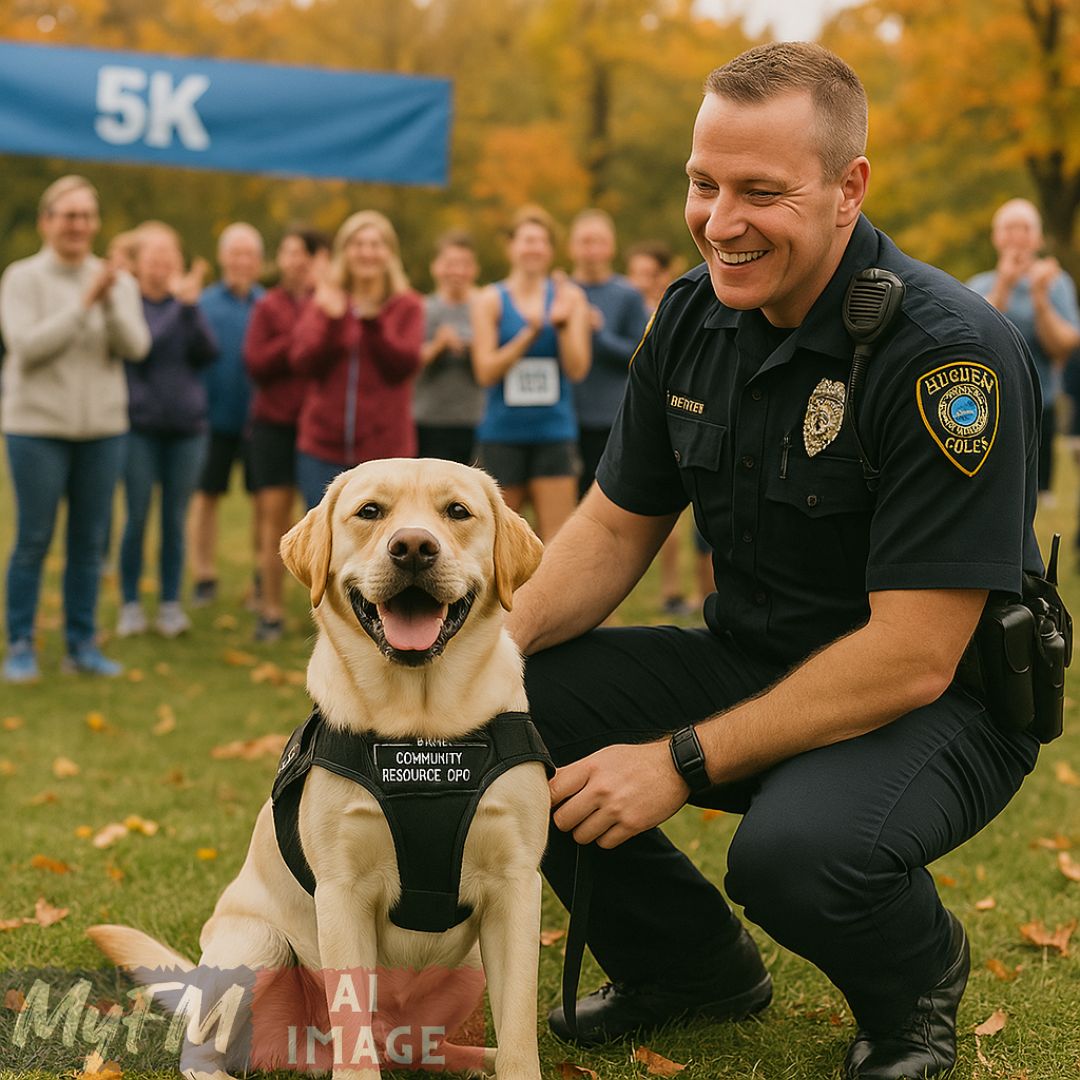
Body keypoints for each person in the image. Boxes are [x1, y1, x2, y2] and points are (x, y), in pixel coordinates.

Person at [507, 43, 1043, 1080]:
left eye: (761, 192)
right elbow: (617, 527)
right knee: (505, 703)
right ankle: (690, 969)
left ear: (850, 189)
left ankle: (916, 986)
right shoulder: (691, 316)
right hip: (757, 657)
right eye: (704, 185)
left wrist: (677, 762)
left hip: (940, 706)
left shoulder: (945, 356)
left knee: (793, 856)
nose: (719, 221)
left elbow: (915, 658)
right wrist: (482, 651)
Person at [1, 175, 150, 682]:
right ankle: (21, 644)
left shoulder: (117, 283)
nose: (78, 225)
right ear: (47, 221)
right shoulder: (23, 278)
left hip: (103, 430)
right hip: (36, 429)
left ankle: (81, 643)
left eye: (87, 216)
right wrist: (86, 301)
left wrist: (108, 300)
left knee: (90, 542)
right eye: (68, 215)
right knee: (34, 539)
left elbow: (136, 347)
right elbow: (26, 347)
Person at [117, 222, 217, 640]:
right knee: (137, 517)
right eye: (153, 257)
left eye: (168, 257)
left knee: (174, 520)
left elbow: (209, 351)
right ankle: (130, 605)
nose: (161, 264)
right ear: (138, 264)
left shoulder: (187, 307)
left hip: (187, 430)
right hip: (139, 429)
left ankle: (171, 605)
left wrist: (191, 308)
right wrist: (181, 303)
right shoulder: (128, 304)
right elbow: (146, 344)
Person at [471, 206, 591, 541]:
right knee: (497, 540)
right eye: (526, 240)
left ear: (550, 250)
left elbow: (577, 368)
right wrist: (528, 334)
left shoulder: (570, 297)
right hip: (501, 434)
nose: (533, 248)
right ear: (511, 246)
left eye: (541, 241)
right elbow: (485, 372)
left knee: (556, 540)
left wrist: (564, 325)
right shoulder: (489, 300)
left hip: (553, 432)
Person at [289, 210, 423, 510]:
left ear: (389, 253)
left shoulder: (407, 304)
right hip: (322, 448)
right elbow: (303, 362)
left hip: (387, 450)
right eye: (358, 244)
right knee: (325, 546)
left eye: (376, 245)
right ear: (345, 252)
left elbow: (404, 365)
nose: (367, 253)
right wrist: (333, 322)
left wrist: (374, 323)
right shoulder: (325, 300)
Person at [243, 226, 330, 641]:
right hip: (274, 425)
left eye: (304, 253)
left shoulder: (328, 304)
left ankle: (329, 615)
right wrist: (296, 339)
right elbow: (256, 361)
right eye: (289, 251)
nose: (296, 260)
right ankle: (270, 609)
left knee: (321, 521)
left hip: (316, 426)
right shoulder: (268, 306)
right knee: (274, 519)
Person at [967, 198, 1080, 505]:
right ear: (996, 236)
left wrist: (1040, 298)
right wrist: (1004, 285)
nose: (1017, 236)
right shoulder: (979, 285)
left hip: (1042, 399)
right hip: (993, 398)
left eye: (1025, 228)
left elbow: (1065, 345)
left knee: (1042, 495)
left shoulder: (1056, 284)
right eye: (1009, 228)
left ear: (1039, 238)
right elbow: (973, 338)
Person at [189, 222, 265, 605]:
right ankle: (203, 577)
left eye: (249, 254)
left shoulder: (267, 304)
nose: (242, 261)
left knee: (263, 504)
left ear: (259, 261)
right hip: (210, 420)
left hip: (257, 424)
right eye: (235, 253)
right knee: (205, 498)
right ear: (223, 257)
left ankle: (260, 580)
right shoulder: (202, 303)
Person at [568, 210, 649, 498]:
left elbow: (640, 355)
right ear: (571, 247)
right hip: (567, 417)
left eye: (598, 241)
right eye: (584, 241)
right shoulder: (561, 291)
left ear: (611, 246)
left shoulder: (628, 294)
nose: (591, 250)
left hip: (613, 418)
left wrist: (599, 333)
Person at [413, 231, 485, 465]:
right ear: (436, 267)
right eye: (450, 263)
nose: (457, 271)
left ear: (475, 269)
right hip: (428, 421)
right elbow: (407, 363)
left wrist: (476, 348)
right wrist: (438, 345)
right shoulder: (421, 309)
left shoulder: (487, 307)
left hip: (477, 420)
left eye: (464, 264)